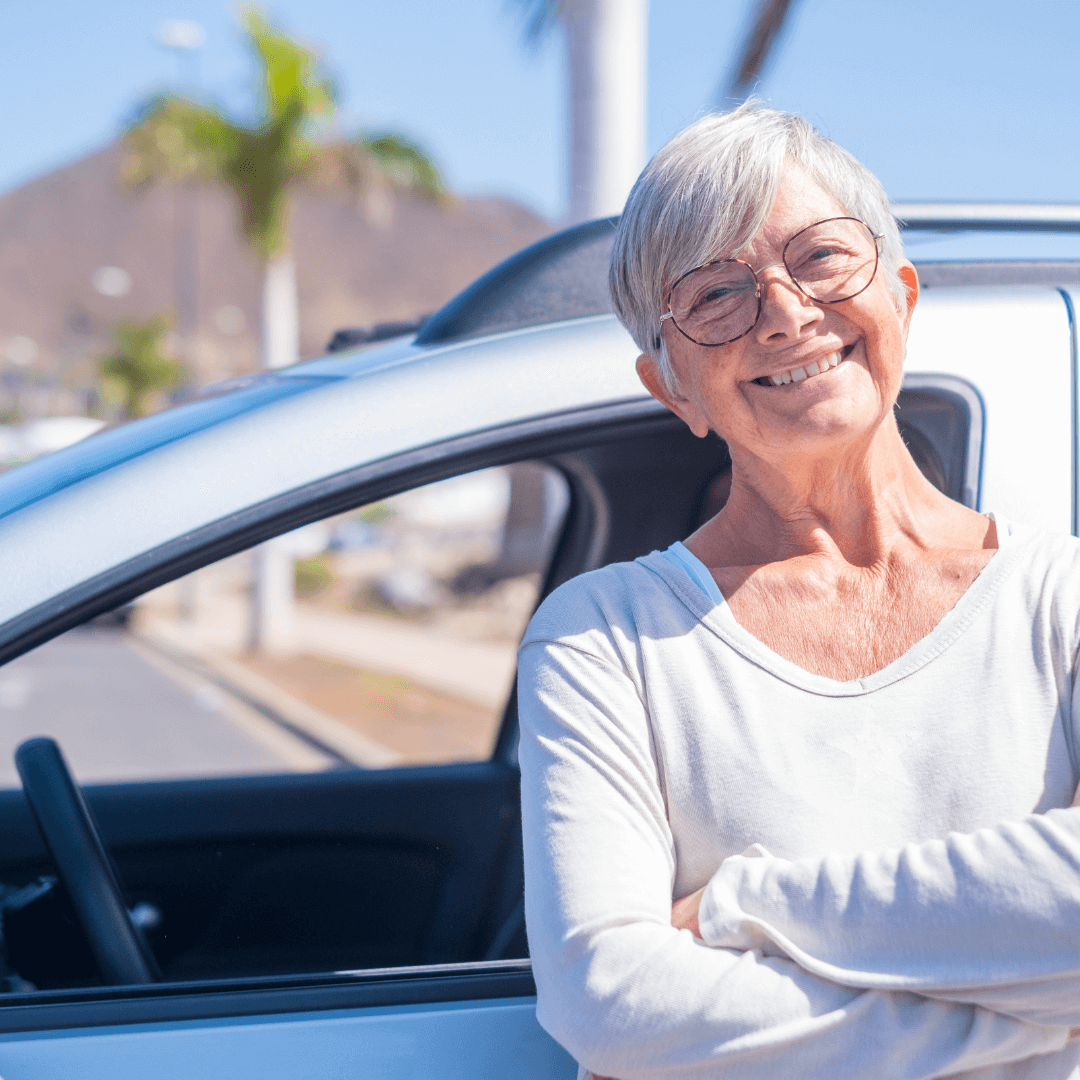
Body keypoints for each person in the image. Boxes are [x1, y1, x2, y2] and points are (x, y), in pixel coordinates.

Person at [517, 102, 1080, 1080]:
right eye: (716, 295)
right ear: (671, 389)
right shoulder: (602, 639)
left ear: (901, 298)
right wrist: (1024, 1030)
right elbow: (610, 997)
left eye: (820, 257)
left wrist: (740, 911)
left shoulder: (1061, 597)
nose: (784, 311)